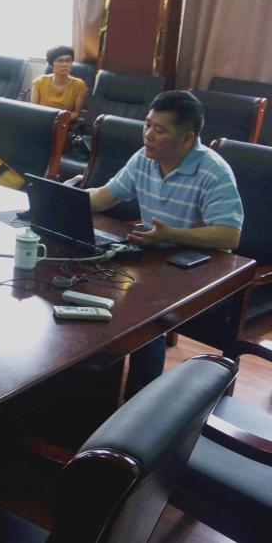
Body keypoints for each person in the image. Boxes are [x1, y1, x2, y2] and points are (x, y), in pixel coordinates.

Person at [88, 90, 244, 397]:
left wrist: (172, 234)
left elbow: (230, 235)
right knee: (97, 282)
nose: (148, 135)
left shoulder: (213, 171)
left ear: (187, 139)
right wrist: (66, 198)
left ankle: (139, 400)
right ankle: (96, 391)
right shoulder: (144, 159)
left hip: (204, 271)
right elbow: (105, 196)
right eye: (147, 125)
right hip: (157, 258)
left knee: (143, 311)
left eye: (159, 130)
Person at [31, 45, 88, 121]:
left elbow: (76, 113)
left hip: (63, 123)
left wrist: (57, 121)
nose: (65, 64)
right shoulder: (39, 81)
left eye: (68, 60)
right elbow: (33, 109)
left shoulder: (79, 85)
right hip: (41, 120)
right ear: (51, 65)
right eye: (60, 61)